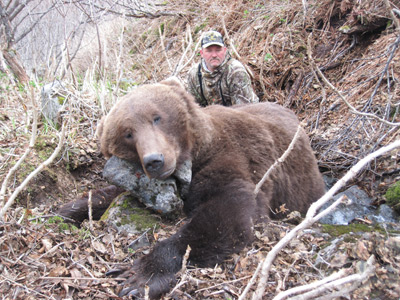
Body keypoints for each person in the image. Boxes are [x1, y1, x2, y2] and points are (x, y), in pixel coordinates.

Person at [187, 30, 259, 106]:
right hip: (209, 116)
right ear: (202, 53)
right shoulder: (194, 74)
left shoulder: (235, 71)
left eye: (218, 50)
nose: (214, 55)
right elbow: (194, 108)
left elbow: (244, 110)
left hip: (238, 115)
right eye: (209, 51)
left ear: (224, 51)